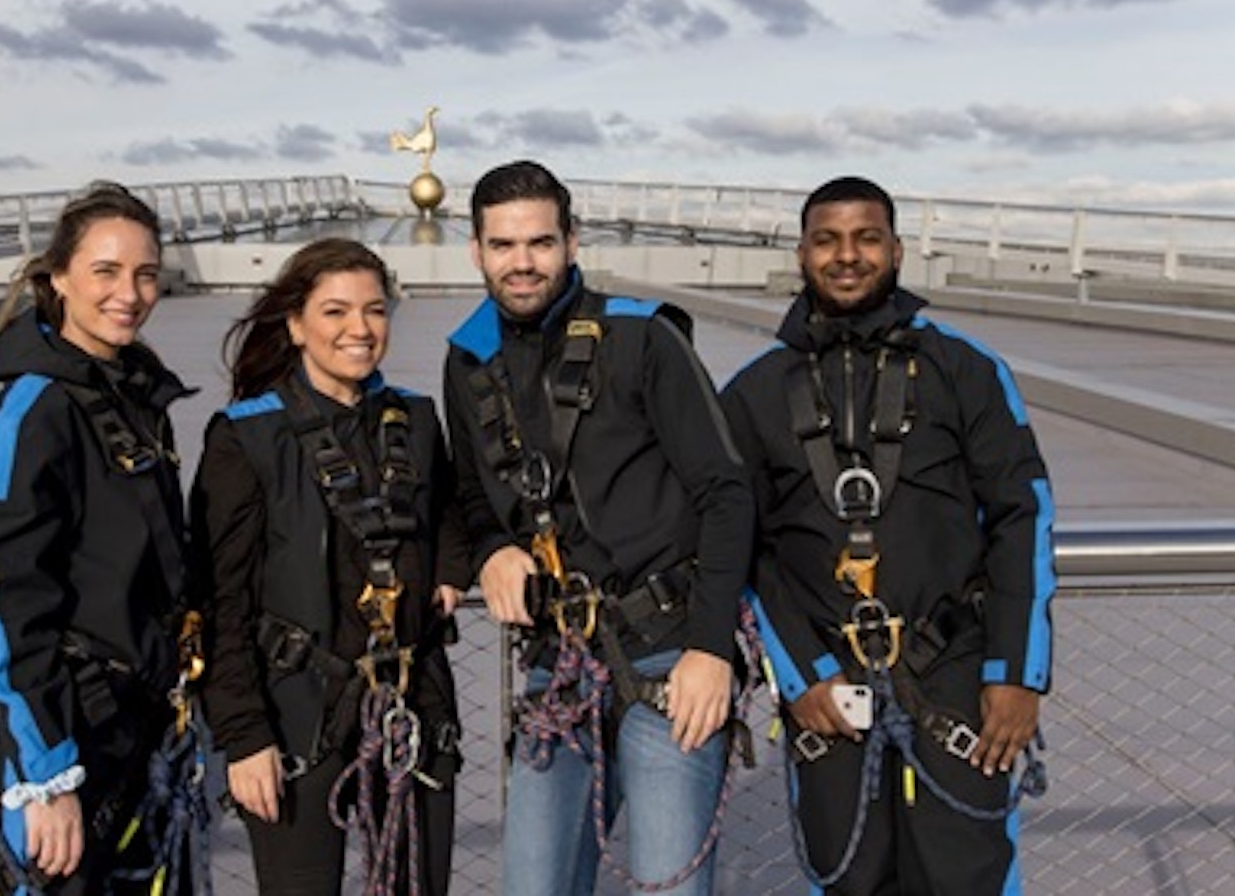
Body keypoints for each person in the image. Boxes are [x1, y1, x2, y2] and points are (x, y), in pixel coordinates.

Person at [719, 175, 1054, 894]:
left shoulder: (965, 369)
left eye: (867, 237)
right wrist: (801, 670)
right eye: (828, 239)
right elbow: (738, 549)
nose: (848, 255)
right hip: (828, 692)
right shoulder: (752, 393)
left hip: (959, 681)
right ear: (802, 253)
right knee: (849, 881)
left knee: (970, 876)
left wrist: (1017, 674)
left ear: (896, 249)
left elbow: (1023, 516)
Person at [443, 160, 755, 895]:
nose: (523, 263)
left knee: (668, 884)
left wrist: (711, 648)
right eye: (504, 245)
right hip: (561, 659)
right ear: (477, 250)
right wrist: (491, 547)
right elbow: (471, 494)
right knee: (533, 883)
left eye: (541, 243)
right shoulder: (469, 359)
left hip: (670, 653)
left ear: (572, 241)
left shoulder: (642, 340)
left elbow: (726, 490)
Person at [0, 181, 205, 894]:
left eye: (146, 273)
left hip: (135, 730)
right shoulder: (35, 410)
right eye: (106, 271)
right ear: (59, 278)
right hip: (65, 740)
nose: (130, 292)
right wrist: (45, 774)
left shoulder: (132, 398)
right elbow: (2, 597)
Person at [191, 239, 467, 896]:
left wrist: (451, 567)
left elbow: (453, 509)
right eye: (336, 311)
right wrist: (243, 735)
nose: (359, 329)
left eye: (374, 310)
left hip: (410, 700)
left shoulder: (416, 419)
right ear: (295, 324)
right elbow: (218, 602)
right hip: (295, 712)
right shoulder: (245, 437)